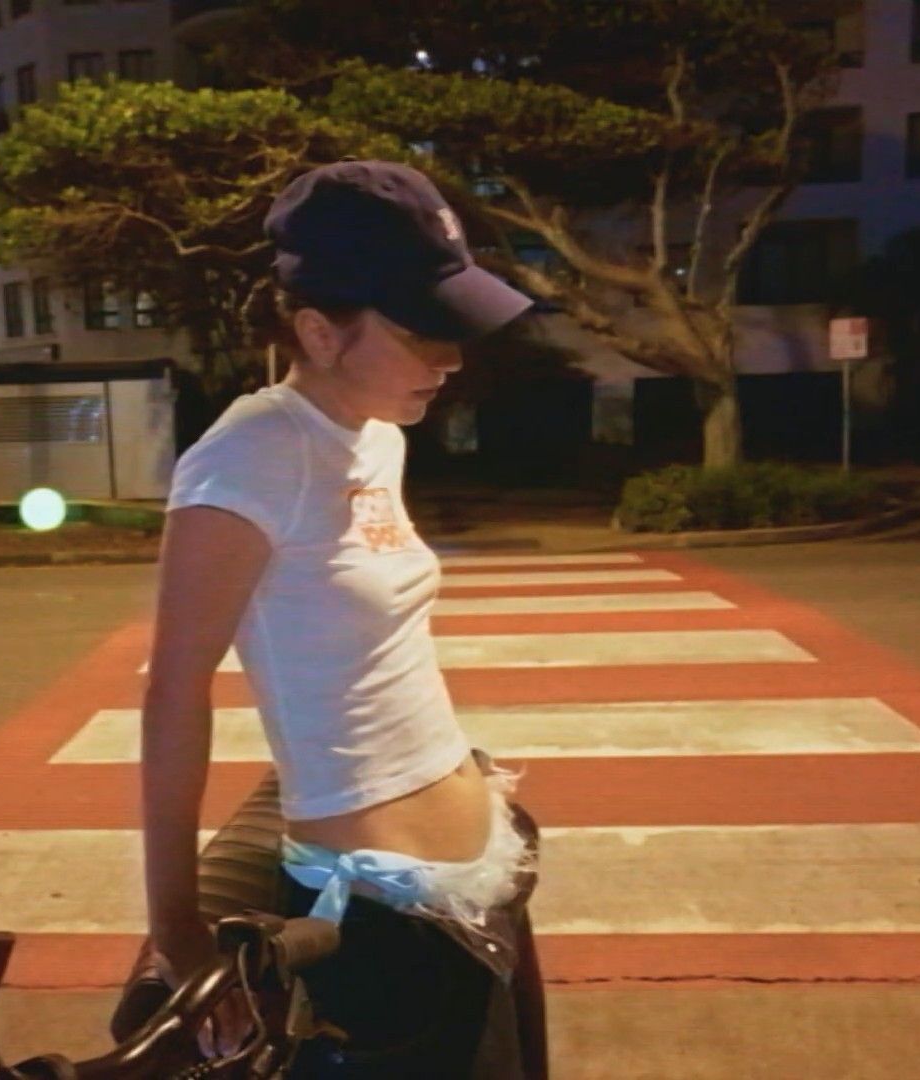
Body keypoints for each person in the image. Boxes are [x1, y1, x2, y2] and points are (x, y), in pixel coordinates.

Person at [140, 159, 547, 1078]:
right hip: (370, 917)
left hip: (475, 882)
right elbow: (173, 693)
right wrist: (177, 936)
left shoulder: (378, 436)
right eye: (423, 333)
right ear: (320, 332)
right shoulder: (249, 458)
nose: (451, 359)